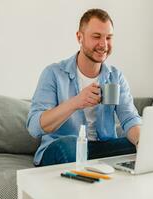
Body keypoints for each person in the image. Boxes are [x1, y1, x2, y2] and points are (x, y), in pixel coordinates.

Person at [27, 8, 141, 166]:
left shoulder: (115, 77)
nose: (103, 44)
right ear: (79, 37)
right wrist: (76, 102)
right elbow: (34, 127)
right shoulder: (53, 73)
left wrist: (142, 142)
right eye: (96, 37)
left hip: (99, 149)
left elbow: (129, 118)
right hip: (62, 148)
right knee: (70, 145)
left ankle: (94, 172)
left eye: (108, 37)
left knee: (137, 145)